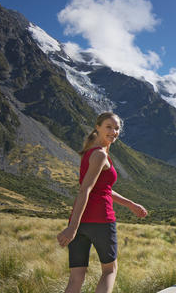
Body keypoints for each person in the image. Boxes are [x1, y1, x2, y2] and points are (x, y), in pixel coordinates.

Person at [56, 112, 148, 293]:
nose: (113, 132)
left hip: (81, 219)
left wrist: (130, 204)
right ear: (97, 127)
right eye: (109, 127)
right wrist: (72, 227)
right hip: (101, 220)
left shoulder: (91, 152)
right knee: (109, 271)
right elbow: (85, 190)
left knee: (76, 277)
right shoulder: (99, 155)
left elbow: (102, 189)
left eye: (117, 128)